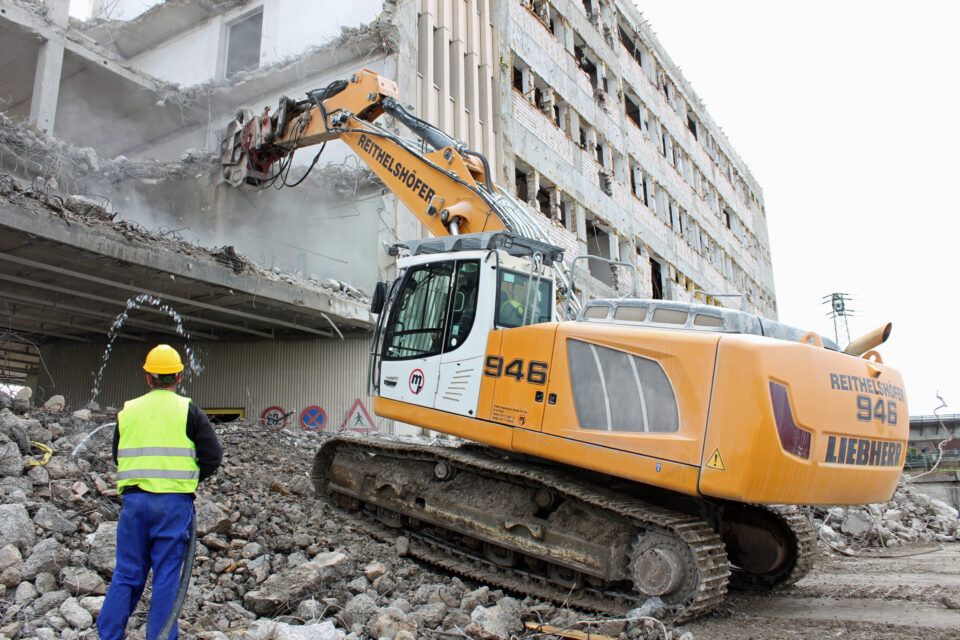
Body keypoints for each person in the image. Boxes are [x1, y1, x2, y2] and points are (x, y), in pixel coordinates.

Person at [97, 344, 222, 640]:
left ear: (149, 378)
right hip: (173, 505)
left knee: (127, 573)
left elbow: (119, 455)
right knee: (166, 578)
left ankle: (109, 635)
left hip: (134, 503)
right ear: (178, 375)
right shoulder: (188, 410)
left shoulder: (128, 411)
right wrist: (186, 479)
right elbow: (212, 455)